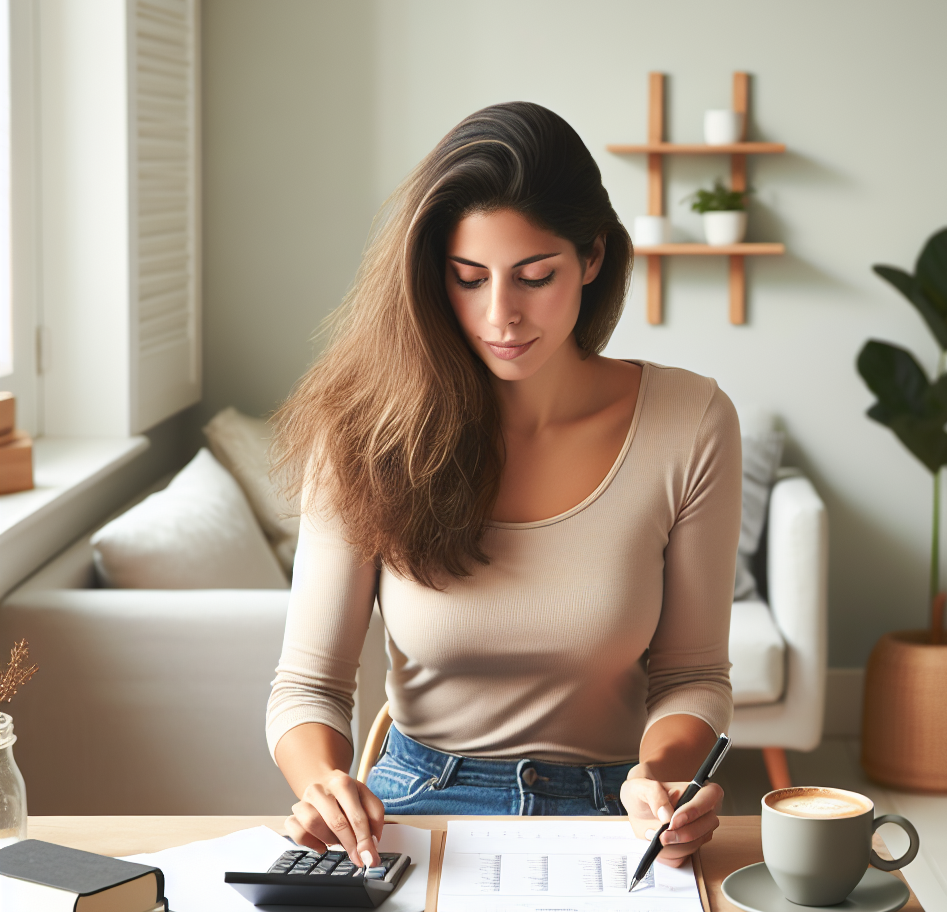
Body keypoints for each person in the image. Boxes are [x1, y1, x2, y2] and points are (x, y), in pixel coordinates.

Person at [267, 102, 741, 872]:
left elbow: (691, 676)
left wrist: (660, 779)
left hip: (620, 813)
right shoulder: (365, 429)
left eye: (534, 276)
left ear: (592, 257)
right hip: (416, 805)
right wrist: (324, 783)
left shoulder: (691, 423)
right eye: (467, 278)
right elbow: (309, 684)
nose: (500, 316)